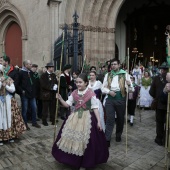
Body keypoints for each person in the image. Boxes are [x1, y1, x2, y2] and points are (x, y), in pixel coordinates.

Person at [52, 73, 109, 169]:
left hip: (88, 118)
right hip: (75, 118)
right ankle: (71, 160)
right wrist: (61, 99)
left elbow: (95, 108)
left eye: (80, 82)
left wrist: (99, 121)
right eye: (76, 82)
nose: (78, 84)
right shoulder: (74, 93)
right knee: (72, 138)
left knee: (87, 141)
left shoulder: (91, 93)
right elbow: (67, 105)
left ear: (86, 83)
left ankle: (86, 161)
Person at [101, 58, 133, 146]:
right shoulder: (108, 75)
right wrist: (109, 92)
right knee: (110, 119)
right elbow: (103, 88)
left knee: (120, 118)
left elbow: (131, 90)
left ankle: (118, 134)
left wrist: (129, 85)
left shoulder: (125, 74)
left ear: (119, 65)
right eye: (112, 64)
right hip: (110, 100)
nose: (113, 66)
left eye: (115, 64)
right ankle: (107, 138)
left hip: (120, 99)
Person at [0, 65, 26, 145]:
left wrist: (6, 86)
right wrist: (1, 83)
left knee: (9, 117)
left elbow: (13, 89)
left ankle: (10, 136)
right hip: (0, 101)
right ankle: (1, 138)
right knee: (1, 118)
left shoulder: (8, 78)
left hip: (8, 100)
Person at [18, 60, 41, 130]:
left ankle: (34, 122)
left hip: (32, 94)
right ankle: (25, 124)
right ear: (26, 65)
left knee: (34, 108)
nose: (31, 65)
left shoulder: (31, 72)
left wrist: (34, 91)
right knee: (24, 110)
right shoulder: (21, 72)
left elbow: (34, 83)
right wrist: (22, 91)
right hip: (25, 94)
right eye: (30, 64)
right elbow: (18, 84)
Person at [149, 62, 168, 146]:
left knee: (159, 123)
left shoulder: (156, 78)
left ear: (162, 70)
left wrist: (157, 97)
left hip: (160, 104)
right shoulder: (157, 78)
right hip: (167, 104)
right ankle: (166, 139)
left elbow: (151, 92)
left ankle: (159, 138)